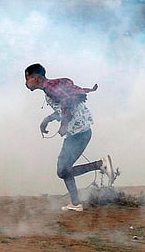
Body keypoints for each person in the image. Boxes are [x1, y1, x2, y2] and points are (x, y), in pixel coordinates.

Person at [24, 63, 116, 212]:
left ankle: (100, 165)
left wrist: (64, 125)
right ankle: (75, 203)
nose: (26, 83)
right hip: (79, 132)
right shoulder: (51, 87)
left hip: (78, 133)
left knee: (62, 170)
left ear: (36, 78)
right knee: (63, 169)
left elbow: (67, 102)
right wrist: (48, 119)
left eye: (27, 78)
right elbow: (64, 104)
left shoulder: (50, 88)